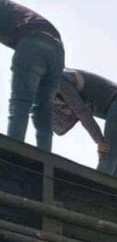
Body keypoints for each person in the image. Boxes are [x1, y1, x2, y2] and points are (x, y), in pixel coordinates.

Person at [53, 69, 117, 176]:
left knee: (106, 155)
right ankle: (110, 187)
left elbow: (81, 112)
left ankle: (96, 187)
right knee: (115, 164)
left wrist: (99, 140)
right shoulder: (60, 76)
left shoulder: (59, 78)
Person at [2, 0, 64, 151]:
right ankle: (45, 159)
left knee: (21, 103)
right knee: (43, 113)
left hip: (33, 42)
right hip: (57, 50)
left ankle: (11, 154)